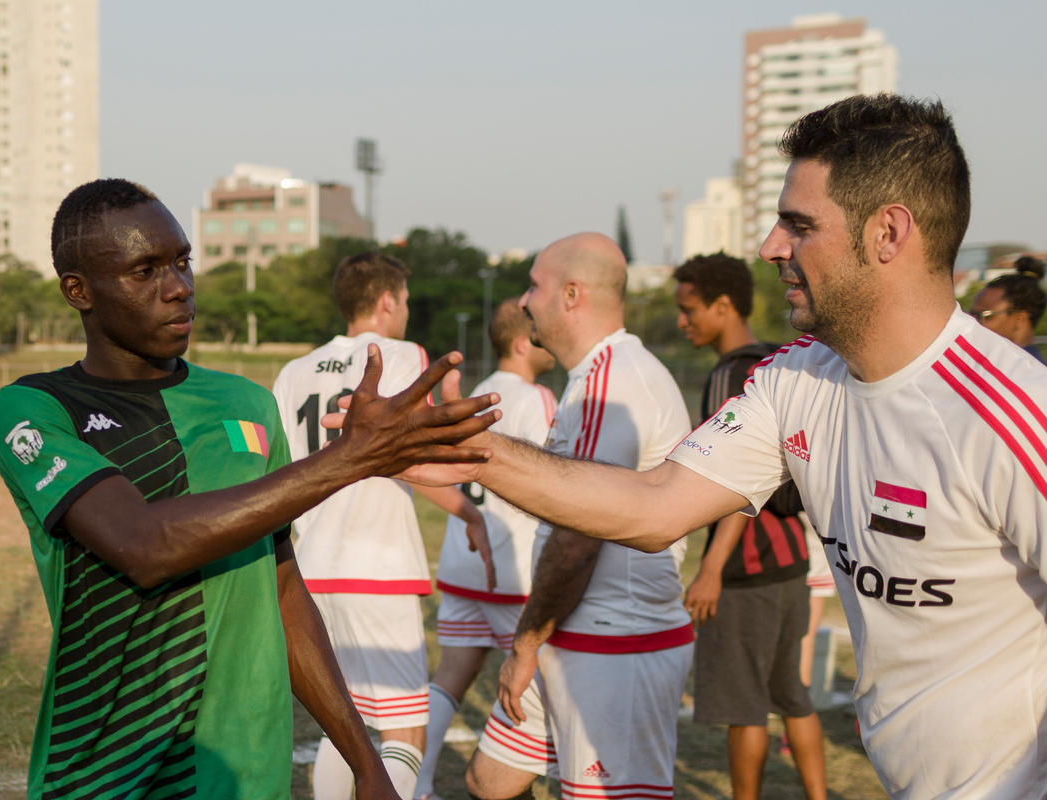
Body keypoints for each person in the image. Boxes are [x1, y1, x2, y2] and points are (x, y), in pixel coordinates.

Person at [393, 94, 1047, 799]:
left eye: (798, 225)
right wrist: (453, 447)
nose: (770, 246)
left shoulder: (1011, 412)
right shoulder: (797, 378)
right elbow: (654, 505)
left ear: (888, 233)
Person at [0, 179, 497, 800]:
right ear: (78, 291)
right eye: (145, 269)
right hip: (106, 775)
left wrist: (365, 762)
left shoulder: (247, 402)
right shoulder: (33, 409)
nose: (178, 286)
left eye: (181, 261)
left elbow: (281, 586)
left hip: (249, 778)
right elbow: (143, 546)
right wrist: (351, 459)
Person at [477, 233, 695, 800]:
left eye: (534, 286)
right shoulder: (590, 379)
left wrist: (526, 641)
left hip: (617, 641)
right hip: (573, 630)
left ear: (572, 295)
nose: (523, 301)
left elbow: (578, 537)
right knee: (490, 781)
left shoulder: (611, 383)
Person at [271, 251, 493, 800]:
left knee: (343, 719)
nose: (408, 311)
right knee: (404, 729)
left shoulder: (293, 371)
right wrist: (468, 510)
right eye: (408, 301)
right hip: (378, 566)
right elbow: (411, 458)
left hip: (311, 570)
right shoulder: (400, 355)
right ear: (388, 300)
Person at [674, 252, 826, 800]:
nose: (681, 321)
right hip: (793, 562)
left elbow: (733, 482)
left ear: (722, 305)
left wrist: (711, 567)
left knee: (745, 709)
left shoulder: (732, 373)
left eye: (688, 309)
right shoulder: (781, 360)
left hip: (747, 571)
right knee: (794, 696)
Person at [413, 298, 558, 800]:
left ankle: (419, 784)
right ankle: (523, 782)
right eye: (538, 333)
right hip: (511, 566)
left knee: (450, 676)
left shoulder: (476, 391)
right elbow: (554, 479)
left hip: (463, 561)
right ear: (523, 343)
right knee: (537, 689)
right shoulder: (536, 398)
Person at [969, 255, 1047, 363]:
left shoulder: (1033, 376)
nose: (974, 322)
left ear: (1020, 319)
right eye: (971, 315)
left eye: (985, 316)